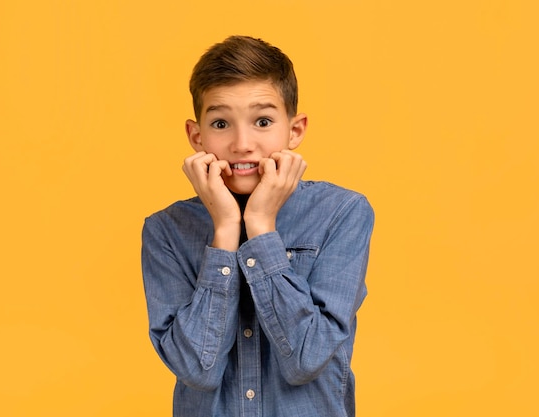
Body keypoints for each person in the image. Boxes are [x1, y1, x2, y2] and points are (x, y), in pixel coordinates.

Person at [141, 35, 374, 417]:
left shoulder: (342, 213)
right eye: (221, 123)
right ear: (196, 137)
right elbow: (196, 368)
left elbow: (305, 357)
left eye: (262, 121)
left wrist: (261, 226)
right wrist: (226, 230)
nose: (242, 143)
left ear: (295, 130)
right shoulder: (166, 231)